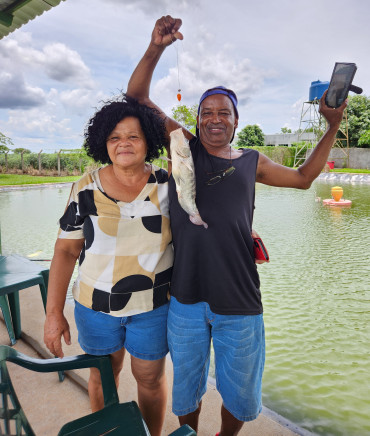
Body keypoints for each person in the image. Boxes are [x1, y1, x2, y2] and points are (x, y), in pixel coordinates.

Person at [126, 16, 347, 436]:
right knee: (187, 393)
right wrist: (157, 47)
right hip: (186, 298)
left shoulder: (252, 161)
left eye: (223, 112)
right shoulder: (183, 147)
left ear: (235, 120)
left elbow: (303, 179)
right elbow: (137, 97)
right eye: (205, 112)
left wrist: (332, 125)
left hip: (240, 301)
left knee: (240, 397)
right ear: (195, 120)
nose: (214, 119)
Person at [43, 94, 173, 436]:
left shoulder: (167, 185)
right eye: (115, 137)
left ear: (149, 141)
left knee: (149, 378)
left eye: (133, 136)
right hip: (95, 305)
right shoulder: (85, 187)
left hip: (153, 305)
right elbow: (66, 252)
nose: (124, 144)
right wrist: (54, 313)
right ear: (104, 143)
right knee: (103, 376)